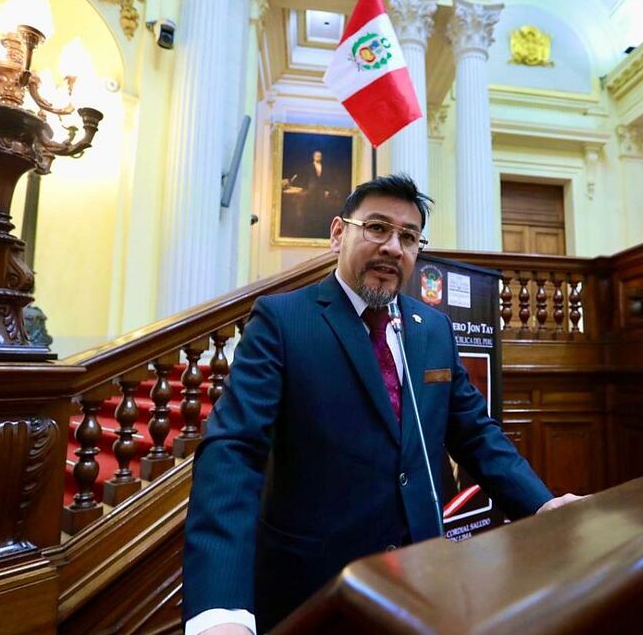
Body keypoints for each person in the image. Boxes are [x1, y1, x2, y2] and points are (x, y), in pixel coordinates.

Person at [182, 174, 581, 635]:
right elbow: (233, 453)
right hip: (314, 589)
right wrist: (221, 611)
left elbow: (474, 432)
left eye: (408, 237)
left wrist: (541, 505)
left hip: (422, 581)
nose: (393, 246)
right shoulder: (283, 320)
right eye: (376, 228)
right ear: (338, 233)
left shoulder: (431, 328)